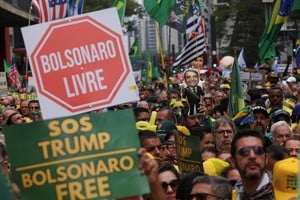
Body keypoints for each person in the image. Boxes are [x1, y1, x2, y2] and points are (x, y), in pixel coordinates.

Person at [230, 129, 274, 199]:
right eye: (244, 151)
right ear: (233, 161)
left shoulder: (280, 193)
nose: (252, 156)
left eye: (258, 151)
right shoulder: (230, 195)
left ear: (266, 158)